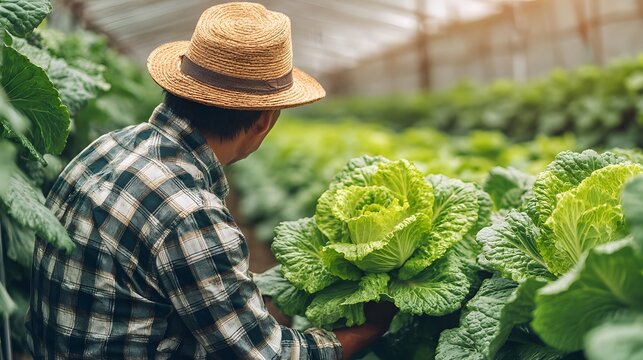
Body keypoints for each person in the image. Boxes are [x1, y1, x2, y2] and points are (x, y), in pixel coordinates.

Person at [26, 2, 396, 359]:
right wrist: (369, 330)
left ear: (179, 88)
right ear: (264, 119)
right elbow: (266, 356)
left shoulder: (105, 148)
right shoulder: (191, 213)